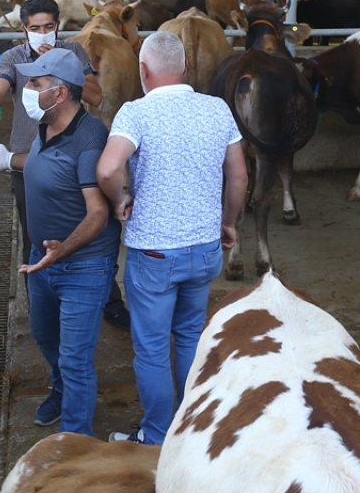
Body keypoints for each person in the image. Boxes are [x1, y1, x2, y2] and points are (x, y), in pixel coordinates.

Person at [96, 31, 247, 445]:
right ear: (184, 68)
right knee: (189, 337)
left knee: (151, 348)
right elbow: (238, 175)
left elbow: (108, 169)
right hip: (204, 249)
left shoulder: (136, 112)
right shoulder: (217, 109)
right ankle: (191, 427)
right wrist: (229, 222)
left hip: (155, 254)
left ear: (143, 71)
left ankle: (159, 435)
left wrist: (119, 199)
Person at [0, 48, 120, 434]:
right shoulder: (47, 126)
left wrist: (61, 251)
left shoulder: (89, 142)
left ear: (59, 94)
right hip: (44, 260)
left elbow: (98, 213)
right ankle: (62, 389)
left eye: (36, 84)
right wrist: (12, 160)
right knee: (43, 333)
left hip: (81, 264)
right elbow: (44, 161)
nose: (27, 89)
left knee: (76, 357)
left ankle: (75, 439)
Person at [0, 0, 131, 331]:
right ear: (23, 29)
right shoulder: (13, 57)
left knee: (88, 228)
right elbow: (2, 86)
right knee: (35, 234)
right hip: (29, 159)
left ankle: (108, 300)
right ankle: (41, 308)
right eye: (35, 29)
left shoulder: (73, 53)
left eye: (48, 27)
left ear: (58, 26)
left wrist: (60, 67)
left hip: (75, 155)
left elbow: (95, 96)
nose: (42, 34)